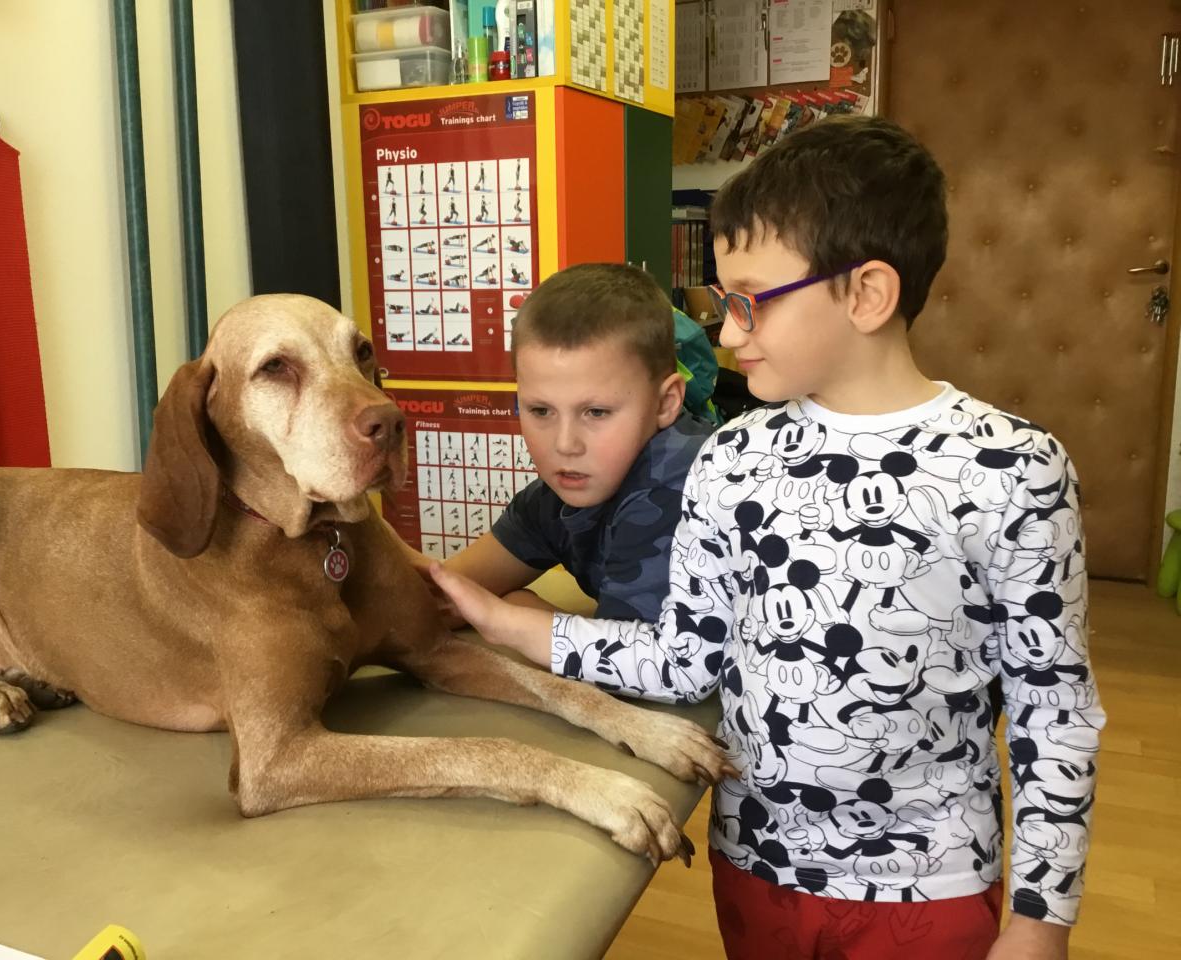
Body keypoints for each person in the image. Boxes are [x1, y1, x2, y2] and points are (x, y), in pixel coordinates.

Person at [432, 116, 1103, 960]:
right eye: (724, 303)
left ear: (867, 295)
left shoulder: (1014, 470)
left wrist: (1042, 920)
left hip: (930, 883)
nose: (726, 334)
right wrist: (506, 623)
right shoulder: (732, 461)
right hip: (755, 867)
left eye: (750, 302)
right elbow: (685, 659)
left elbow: (1054, 712)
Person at [403, 262, 715, 635]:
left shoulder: (681, 483)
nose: (564, 444)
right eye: (541, 411)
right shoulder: (556, 496)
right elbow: (442, 596)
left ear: (665, 403)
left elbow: (632, 659)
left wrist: (516, 614)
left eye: (596, 412)